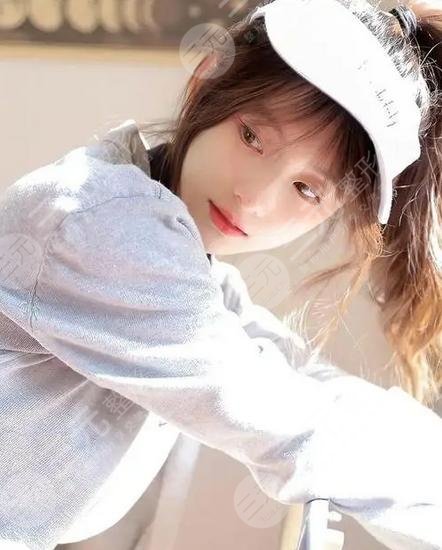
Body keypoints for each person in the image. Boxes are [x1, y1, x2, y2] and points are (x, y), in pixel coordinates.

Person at [0, 0, 441, 549]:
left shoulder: (183, 261)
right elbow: (281, 423)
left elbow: (297, 374)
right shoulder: (101, 222)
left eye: (306, 189)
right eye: (252, 136)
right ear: (207, 79)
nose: (253, 197)